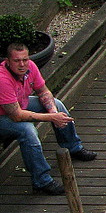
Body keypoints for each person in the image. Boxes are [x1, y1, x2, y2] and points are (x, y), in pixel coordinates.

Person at [0, 40, 95, 195]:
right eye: (17, 61)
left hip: (20, 104)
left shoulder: (30, 67)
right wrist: (51, 117)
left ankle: (73, 147)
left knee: (57, 104)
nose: (22, 64)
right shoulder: (2, 80)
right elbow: (16, 115)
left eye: (25, 59)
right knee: (27, 131)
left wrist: (53, 111)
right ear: (7, 61)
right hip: (4, 115)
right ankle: (41, 181)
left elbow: (43, 91)